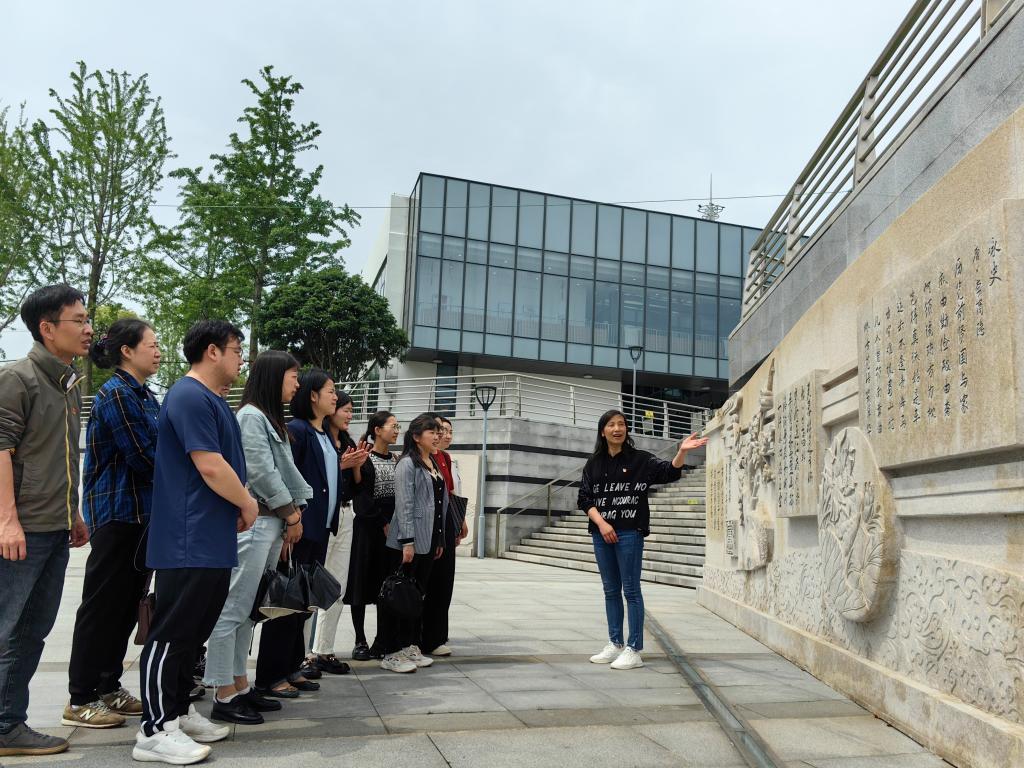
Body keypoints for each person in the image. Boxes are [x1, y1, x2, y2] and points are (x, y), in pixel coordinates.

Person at [132, 320, 257, 765]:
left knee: (193, 634)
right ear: (212, 351)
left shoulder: (214, 400)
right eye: (236, 350)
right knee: (172, 634)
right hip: (187, 537)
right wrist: (248, 503)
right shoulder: (188, 396)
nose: (241, 359)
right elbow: (209, 465)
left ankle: (179, 711)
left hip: (210, 536)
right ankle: (153, 729)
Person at [0, 285, 91, 757]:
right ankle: (5, 725)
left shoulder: (66, 383)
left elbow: (61, 458)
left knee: (33, 630)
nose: (88, 328)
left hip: (54, 526)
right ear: (47, 328)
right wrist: (7, 521)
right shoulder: (18, 379)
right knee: (8, 628)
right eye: (79, 320)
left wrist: (73, 513)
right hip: (23, 530)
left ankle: (9, 723)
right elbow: (0, 450)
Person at [64, 319, 162, 730]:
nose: (158, 351)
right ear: (127, 350)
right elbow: (144, 455)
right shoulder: (117, 394)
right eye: (151, 344)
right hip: (118, 513)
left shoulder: (145, 395)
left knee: (126, 608)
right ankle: (80, 697)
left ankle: (108, 686)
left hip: (143, 515)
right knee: (101, 606)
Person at [205, 351, 311, 723]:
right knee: (234, 608)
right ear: (273, 377)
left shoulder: (265, 417)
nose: (297, 383)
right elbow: (261, 472)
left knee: (248, 611)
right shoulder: (251, 417)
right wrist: (291, 512)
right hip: (259, 523)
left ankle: (239, 685)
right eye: (293, 376)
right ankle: (223, 692)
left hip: (270, 522)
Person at [578, 410, 706, 671]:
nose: (617, 429)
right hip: (602, 533)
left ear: (626, 429)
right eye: (611, 425)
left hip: (629, 533)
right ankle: (615, 643)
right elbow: (584, 498)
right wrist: (602, 524)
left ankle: (634, 648)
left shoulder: (640, 460)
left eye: (621, 424)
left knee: (631, 590)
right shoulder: (593, 463)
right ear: (602, 431)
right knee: (610, 590)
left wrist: (681, 452)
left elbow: (669, 472)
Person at [254, 369, 345, 694]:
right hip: (298, 531)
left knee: (303, 603)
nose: (335, 396)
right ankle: (271, 675)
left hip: (319, 530)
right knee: (285, 603)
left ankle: (293, 667)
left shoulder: (324, 434)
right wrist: (287, 524)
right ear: (313, 396)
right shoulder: (298, 431)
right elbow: (283, 479)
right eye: (330, 390)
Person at [379, 414, 448, 674]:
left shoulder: (433, 462)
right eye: (432, 432)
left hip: (428, 540)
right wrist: (407, 541)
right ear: (417, 436)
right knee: (398, 596)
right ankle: (390, 651)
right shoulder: (407, 464)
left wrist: (439, 538)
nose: (437, 436)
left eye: (438, 432)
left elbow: (438, 505)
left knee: (415, 596)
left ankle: (408, 645)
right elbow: (405, 504)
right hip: (407, 542)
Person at [306, 392, 367, 669]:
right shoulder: (318, 438)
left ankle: (324, 650)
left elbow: (356, 486)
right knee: (312, 584)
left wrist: (357, 466)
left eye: (351, 410)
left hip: (345, 513)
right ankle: (303, 655)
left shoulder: (348, 443)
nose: (349, 415)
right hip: (321, 514)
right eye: (345, 409)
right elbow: (315, 478)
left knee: (337, 585)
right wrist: (342, 464)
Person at [346, 410, 401, 661]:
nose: (397, 431)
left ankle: (382, 640)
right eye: (392, 426)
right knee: (360, 583)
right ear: (377, 430)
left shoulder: (398, 460)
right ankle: (360, 640)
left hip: (392, 530)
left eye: (398, 426)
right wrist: (381, 522)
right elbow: (361, 497)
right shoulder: (364, 459)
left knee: (386, 586)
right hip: (368, 529)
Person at [420, 415, 468, 657]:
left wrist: (460, 522)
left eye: (447, 431)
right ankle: (423, 636)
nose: (443, 435)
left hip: (446, 523)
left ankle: (437, 635)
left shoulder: (445, 458)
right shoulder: (417, 459)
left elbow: (450, 493)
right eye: (439, 430)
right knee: (427, 582)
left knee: (443, 582)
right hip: (428, 525)